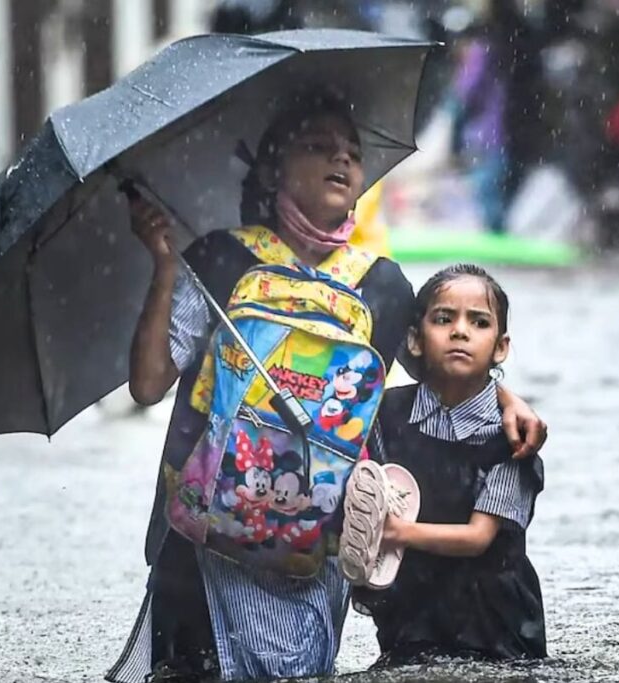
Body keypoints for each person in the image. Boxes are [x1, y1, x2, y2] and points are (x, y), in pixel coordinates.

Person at [106, 91, 548, 683]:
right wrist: (165, 268)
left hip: (314, 554)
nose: (341, 159)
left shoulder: (382, 286)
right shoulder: (218, 260)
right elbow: (147, 384)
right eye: (318, 146)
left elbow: (447, 372)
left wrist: (509, 400)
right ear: (274, 169)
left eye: (352, 153)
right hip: (203, 547)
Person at [351, 264, 547, 665]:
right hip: (412, 615)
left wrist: (394, 532)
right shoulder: (385, 414)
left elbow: (478, 537)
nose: (460, 331)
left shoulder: (510, 439)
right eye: (443, 319)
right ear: (414, 339)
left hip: (495, 627)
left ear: (500, 348)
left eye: (479, 322)